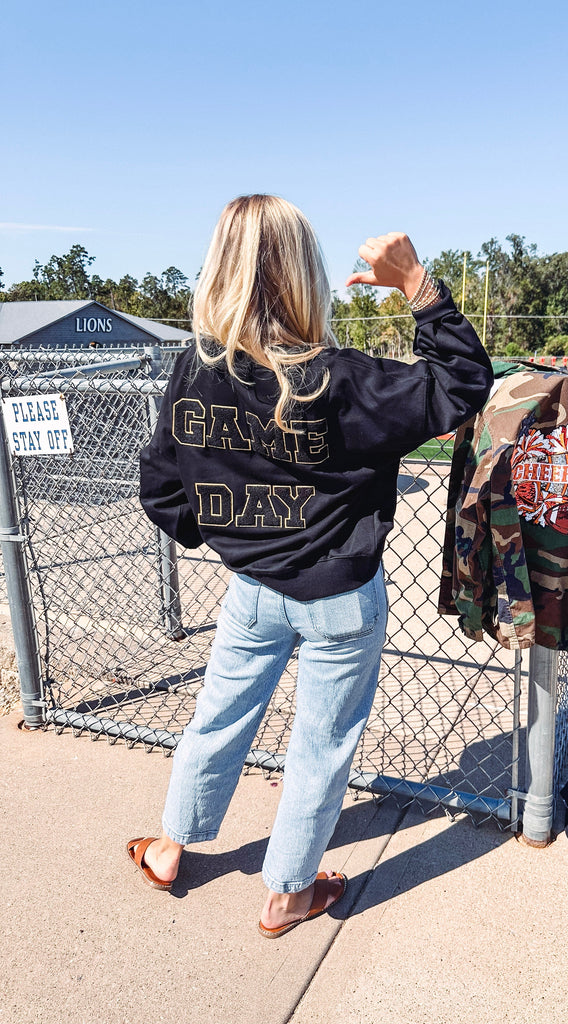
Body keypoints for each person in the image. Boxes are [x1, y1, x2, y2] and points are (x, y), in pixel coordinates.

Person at [128, 194, 493, 937]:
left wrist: (230, 533)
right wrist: (416, 283)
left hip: (252, 589)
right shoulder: (339, 376)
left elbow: (162, 487)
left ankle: (171, 847)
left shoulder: (194, 369)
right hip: (339, 593)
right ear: (303, 274)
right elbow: (462, 384)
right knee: (320, 745)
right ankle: (289, 892)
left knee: (218, 719)